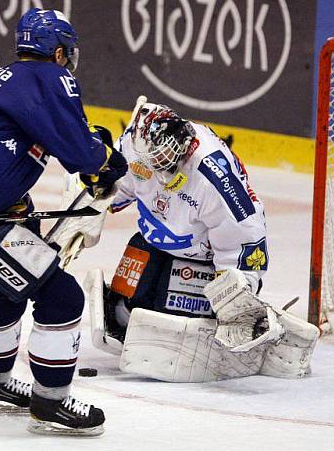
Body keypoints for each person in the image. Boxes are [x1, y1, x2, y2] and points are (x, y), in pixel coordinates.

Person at [0, 8, 127, 436]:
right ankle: (50, 404)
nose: (68, 61)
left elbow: (18, 139)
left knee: (4, 294)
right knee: (62, 297)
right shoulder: (52, 77)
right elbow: (79, 153)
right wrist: (104, 162)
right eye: (66, 53)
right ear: (57, 51)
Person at [71, 97, 319, 381]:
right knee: (123, 313)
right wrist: (98, 199)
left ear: (183, 145)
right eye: (152, 163)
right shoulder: (136, 143)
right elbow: (123, 183)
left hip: (204, 256)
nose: (158, 170)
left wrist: (236, 297)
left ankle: (214, 319)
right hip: (156, 237)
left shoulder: (213, 177)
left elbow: (246, 235)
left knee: (165, 321)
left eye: (165, 162)